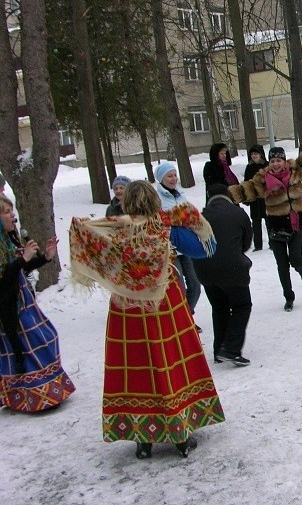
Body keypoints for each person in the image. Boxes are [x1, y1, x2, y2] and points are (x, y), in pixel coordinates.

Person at [69, 181, 224, 459]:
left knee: (136, 367)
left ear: (126, 203)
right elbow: (205, 249)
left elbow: (92, 245)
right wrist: (191, 219)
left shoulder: (116, 229)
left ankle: (143, 438)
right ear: (155, 202)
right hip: (164, 304)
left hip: (125, 309)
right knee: (170, 361)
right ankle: (179, 434)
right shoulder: (166, 227)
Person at [0, 195, 74, 412]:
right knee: (34, 341)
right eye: (6, 212)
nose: (12, 215)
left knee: (45, 336)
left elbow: (21, 270)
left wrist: (45, 257)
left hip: (23, 299)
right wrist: (23, 259)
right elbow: (4, 280)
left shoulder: (8, 238)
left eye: (11, 211)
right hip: (9, 306)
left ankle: (45, 392)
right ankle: (33, 395)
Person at [193, 184, 253, 366]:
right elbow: (247, 241)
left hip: (204, 270)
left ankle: (219, 349)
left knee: (219, 307)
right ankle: (231, 348)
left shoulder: (200, 217)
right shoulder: (238, 213)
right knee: (242, 305)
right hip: (232, 268)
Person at [262, 144, 302, 312]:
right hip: (275, 228)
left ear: (284, 161)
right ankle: (289, 297)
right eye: (272, 161)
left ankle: (301, 270)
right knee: (282, 265)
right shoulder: (263, 179)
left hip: (295, 225)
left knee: (295, 257)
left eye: (278, 160)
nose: (276, 164)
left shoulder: (295, 172)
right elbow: (246, 191)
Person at [154, 161, 203, 330]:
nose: (174, 178)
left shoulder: (180, 195)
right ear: (161, 179)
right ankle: (183, 324)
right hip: (169, 250)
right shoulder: (156, 198)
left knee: (195, 286)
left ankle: (186, 317)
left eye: (175, 175)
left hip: (185, 248)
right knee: (179, 287)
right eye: (169, 176)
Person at [243, 145, 269, 251]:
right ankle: (258, 245)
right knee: (255, 222)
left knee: (269, 221)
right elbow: (246, 182)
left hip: (266, 198)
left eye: (256, 154)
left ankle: (273, 242)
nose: (254, 156)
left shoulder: (267, 166)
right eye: (252, 154)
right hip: (254, 199)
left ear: (261, 155)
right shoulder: (249, 167)